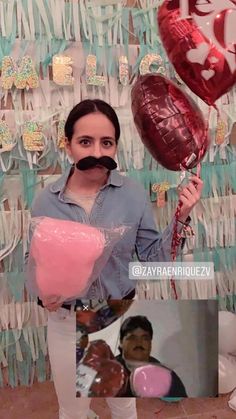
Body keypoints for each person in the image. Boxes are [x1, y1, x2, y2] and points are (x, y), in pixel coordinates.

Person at [27, 99, 203, 418]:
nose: (97, 152)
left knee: (122, 405)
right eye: (85, 142)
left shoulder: (132, 194)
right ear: (68, 146)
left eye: (106, 142)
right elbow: (36, 260)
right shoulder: (46, 201)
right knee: (74, 411)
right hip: (66, 323)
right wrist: (44, 296)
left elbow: (151, 258)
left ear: (116, 147)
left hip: (117, 316)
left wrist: (182, 215)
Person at [115, 315, 187, 397]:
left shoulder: (167, 377)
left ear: (150, 343)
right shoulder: (108, 373)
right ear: (121, 342)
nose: (139, 342)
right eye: (132, 338)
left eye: (145, 338)